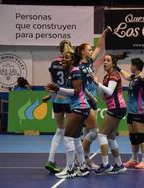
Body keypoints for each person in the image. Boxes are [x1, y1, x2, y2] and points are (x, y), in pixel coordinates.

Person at [45, 51, 91, 179]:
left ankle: (69, 170)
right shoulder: (69, 73)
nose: (63, 59)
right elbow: (68, 93)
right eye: (62, 57)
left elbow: (76, 92)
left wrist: (58, 89)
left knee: (67, 137)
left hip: (80, 108)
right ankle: (82, 168)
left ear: (72, 61)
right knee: (76, 139)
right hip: (79, 107)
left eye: (66, 58)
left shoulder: (75, 72)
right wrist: (53, 92)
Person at [74, 26, 111, 169]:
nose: (91, 51)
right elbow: (81, 87)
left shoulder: (89, 62)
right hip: (86, 100)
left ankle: (85, 161)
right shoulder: (79, 68)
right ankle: (81, 159)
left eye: (91, 49)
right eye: (88, 49)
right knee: (94, 132)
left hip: (92, 99)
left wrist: (104, 34)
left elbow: (99, 47)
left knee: (87, 132)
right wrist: (92, 97)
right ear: (82, 52)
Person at [91, 54, 127, 175]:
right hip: (116, 107)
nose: (105, 62)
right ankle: (119, 165)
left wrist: (98, 84)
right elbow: (103, 97)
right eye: (104, 60)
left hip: (117, 108)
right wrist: (96, 85)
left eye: (108, 60)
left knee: (101, 135)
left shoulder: (114, 75)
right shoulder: (107, 77)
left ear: (113, 63)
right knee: (110, 137)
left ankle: (106, 165)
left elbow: (110, 91)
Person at [44, 40, 74, 173]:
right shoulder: (71, 63)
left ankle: (50, 160)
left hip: (56, 100)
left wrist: (50, 95)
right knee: (73, 133)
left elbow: (53, 83)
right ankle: (76, 164)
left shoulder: (53, 63)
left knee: (59, 130)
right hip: (69, 99)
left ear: (59, 49)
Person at [116, 58, 144, 169]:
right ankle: (134, 159)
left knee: (141, 136)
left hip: (139, 111)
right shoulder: (134, 78)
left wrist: (141, 75)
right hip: (131, 111)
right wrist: (118, 68)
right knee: (133, 137)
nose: (130, 67)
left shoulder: (142, 78)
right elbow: (126, 76)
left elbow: (142, 78)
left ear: (135, 66)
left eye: (131, 65)